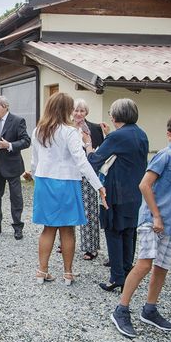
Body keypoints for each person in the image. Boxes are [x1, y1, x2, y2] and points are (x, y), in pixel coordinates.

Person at [111, 115, 171, 338]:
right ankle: (121, 309)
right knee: (144, 264)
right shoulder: (164, 156)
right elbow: (144, 185)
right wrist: (156, 216)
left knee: (162, 266)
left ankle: (150, 309)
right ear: (170, 135)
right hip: (152, 221)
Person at [30, 93, 107, 285]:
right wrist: (98, 185)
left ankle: (42, 271)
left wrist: (34, 176)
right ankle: (68, 273)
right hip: (67, 181)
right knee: (67, 229)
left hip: (44, 181)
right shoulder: (70, 131)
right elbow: (81, 161)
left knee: (48, 228)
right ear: (67, 110)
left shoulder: (38, 130)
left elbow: (34, 161)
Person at [85, 98, 148, 293]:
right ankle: (128, 271)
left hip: (116, 190)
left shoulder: (117, 137)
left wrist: (88, 146)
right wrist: (108, 136)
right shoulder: (140, 133)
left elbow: (95, 160)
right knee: (129, 231)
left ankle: (117, 277)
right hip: (135, 190)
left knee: (113, 231)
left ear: (115, 116)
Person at [0, 96, 31, 240]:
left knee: (16, 197)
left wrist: (9, 145)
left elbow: (26, 141)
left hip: (13, 165)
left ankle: (17, 227)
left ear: (5, 107)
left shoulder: (17, 121)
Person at [73, 98, 108, 261]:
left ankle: (91, 247)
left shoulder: (94, 128)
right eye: (76, 110)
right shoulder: (66, 128)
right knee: (68, 208)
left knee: (90, 210)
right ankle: (66, 243)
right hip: (69, 173)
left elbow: (101, 152)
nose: (79, 114)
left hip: (89, 173)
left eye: (82, 111)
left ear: (86, 112)